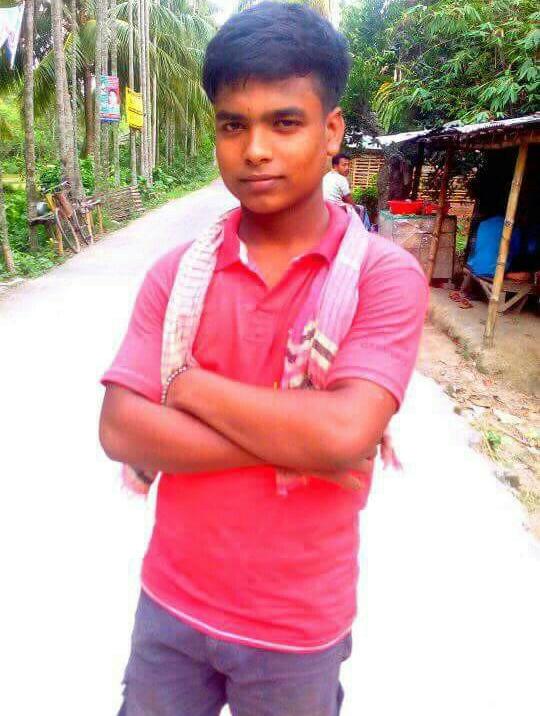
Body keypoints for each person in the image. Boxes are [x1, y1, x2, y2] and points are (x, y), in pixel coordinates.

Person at [99, 4, 428, 715]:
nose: (255, 149)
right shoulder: (176, 275)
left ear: (331, 131)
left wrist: (186, 387)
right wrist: (301, 439)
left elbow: (343, 434)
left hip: (297, 630)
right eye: (233, 125)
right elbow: (121, 429)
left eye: (284, 122)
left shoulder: (381, 277)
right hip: (171, 607)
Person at [323, 153, 372, 229]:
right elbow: (348, 198)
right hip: (335, 206)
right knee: (361, 209)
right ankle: (364, 231)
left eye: (349, 165)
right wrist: (355, 206)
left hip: (323, 206)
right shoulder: (341, 178)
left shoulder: (327, 175)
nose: (347, 168)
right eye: (344, 165)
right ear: (335, 166)